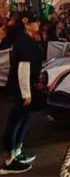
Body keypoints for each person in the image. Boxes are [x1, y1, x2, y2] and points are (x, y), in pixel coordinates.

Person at [1, 13, 43, 174]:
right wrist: (26, 93)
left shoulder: (27, 40)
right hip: (23, 89)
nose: (38, 24)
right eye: (35, 22)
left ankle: (17, 153)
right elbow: (23, 68)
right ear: (26, 24)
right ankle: (9, 161)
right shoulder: (24, 42)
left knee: (24, 120)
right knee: (15, 122)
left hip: (27, 87)